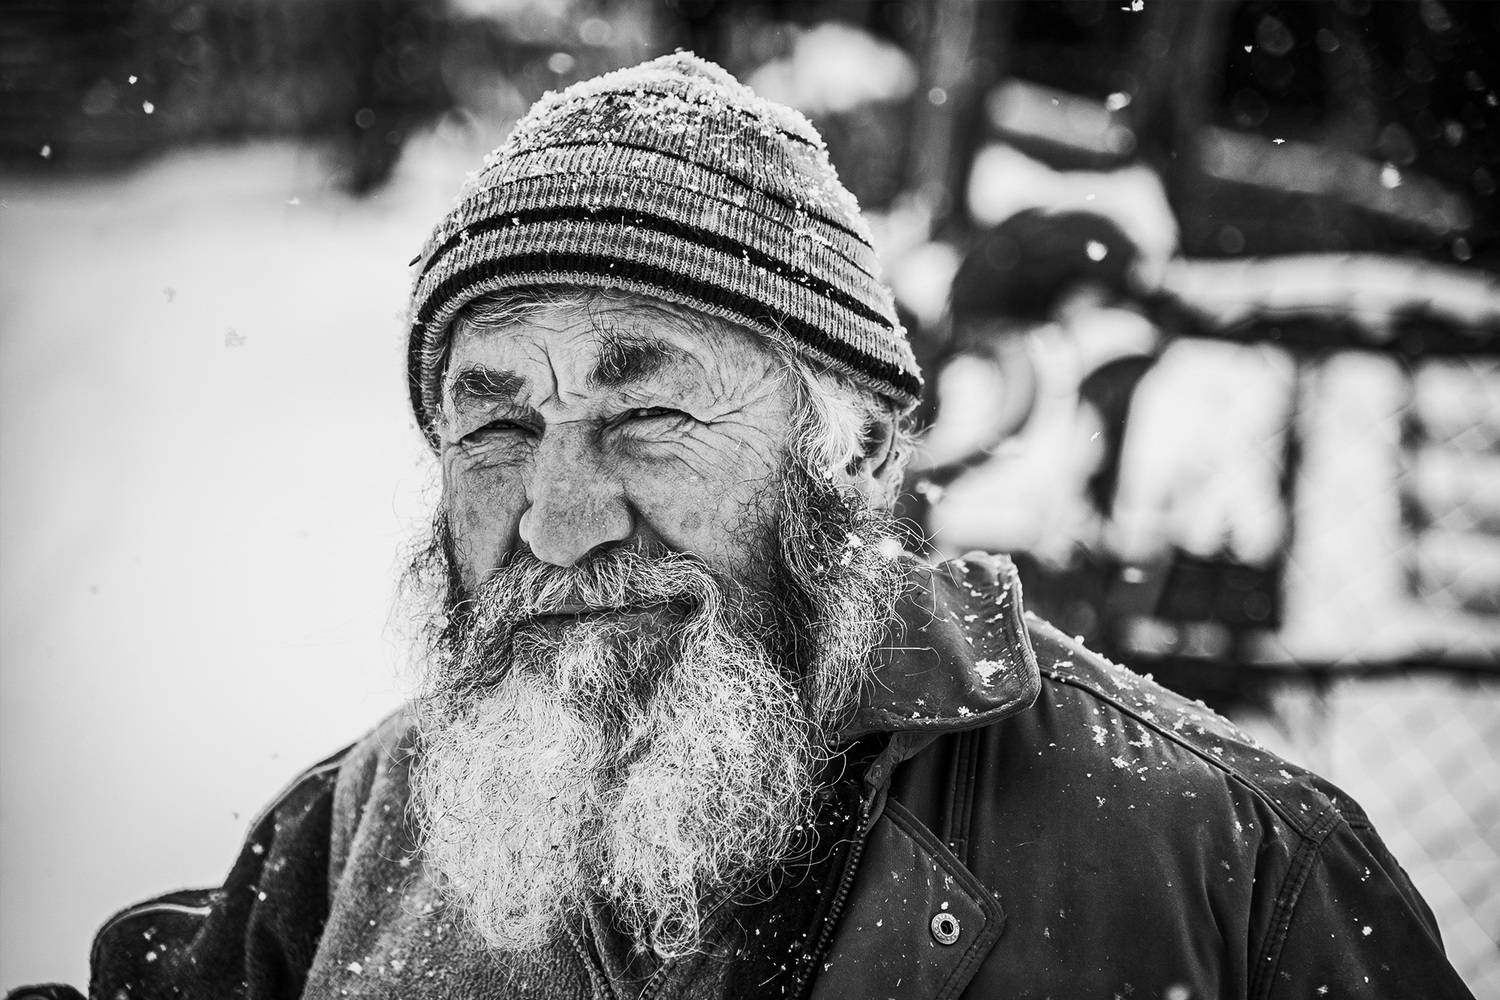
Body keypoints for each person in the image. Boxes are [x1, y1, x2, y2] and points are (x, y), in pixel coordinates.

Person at [10, 53, 1473, 1000]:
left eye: (648, 409)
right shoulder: (347, 844)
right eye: (495, 425)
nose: (559, 524)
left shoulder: (1226, 872)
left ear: (858, 445)